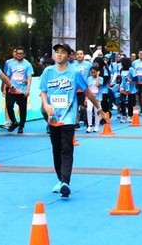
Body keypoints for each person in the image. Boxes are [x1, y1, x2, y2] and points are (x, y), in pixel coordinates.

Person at [40, 43, 102, 198]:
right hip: (53, 117)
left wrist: (99, 108)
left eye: (62, 52)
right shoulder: (48, 72)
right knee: (56, 149)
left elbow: (87, 92)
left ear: (68, 55)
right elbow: (43, 91)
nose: (59, 55)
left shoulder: (74, 73)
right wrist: (46, 105)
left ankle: (66, 182)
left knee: (66, 149)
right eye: (57, 52)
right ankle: (60, 180)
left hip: (68, 118)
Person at [2, 46, 33, 134]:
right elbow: (7, 76)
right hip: (12, 89)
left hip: (22, 90)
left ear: (24, 55)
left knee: (23, 109)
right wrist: (5, 88)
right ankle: (14, 122)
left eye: (21, 54)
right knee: (9, 105)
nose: (19, 55)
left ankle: (21, 126)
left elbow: (29, 77)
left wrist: (28, 89)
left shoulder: (27, 64)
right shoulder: (10, 64)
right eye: (18, 53)